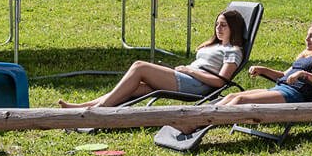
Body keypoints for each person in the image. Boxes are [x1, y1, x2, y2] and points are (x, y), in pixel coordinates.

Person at [58, 9, 247, 108]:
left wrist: (189, 70)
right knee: (134, 88)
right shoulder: (215, 45)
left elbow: (220, 82)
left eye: (223, 26)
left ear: (233, 28)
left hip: (196, 85)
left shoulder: (233, 51)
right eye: (217, 25)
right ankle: (83, 107)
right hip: (186, 77)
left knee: (139, 66)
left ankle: (99, 110)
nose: (218, 29)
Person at [216, 22, 312, 105]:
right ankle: (202, 115)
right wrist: (263, 70)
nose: (307, 39)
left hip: (293, 95)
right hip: (279, 89)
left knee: (240, 100)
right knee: (232, 96)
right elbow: (283, 75)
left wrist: (303, 74)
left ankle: (207, 120)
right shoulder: (306, 56)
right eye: (307, 35)